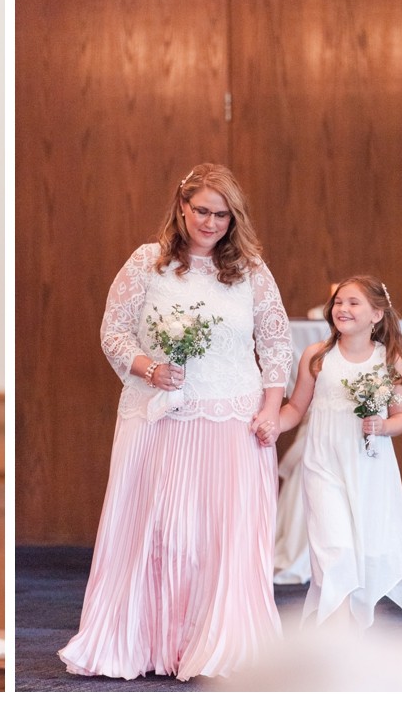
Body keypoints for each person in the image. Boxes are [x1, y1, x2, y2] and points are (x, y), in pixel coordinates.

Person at [58, 163, 292, 682]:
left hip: (234, 417)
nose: (210, 223)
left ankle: (222, 645)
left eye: (222, 215)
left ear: (234, 219)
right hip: (160, 417)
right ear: (181, 207)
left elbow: (276, 343)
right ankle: (149, 641)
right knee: (162, 531)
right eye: (201, 210)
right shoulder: (147, 263)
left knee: (222, 535)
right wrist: (151, 368)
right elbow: (113, 331)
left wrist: (272, 408)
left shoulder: (251, 269)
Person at [276, 276, 402, 631]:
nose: (342, 309)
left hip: (368, 467)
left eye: (353, 303)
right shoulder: (317, 356)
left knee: (365, 551)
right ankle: (340, 634)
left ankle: (352, 631)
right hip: (323, 463)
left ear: (377, 314)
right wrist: (267, 424)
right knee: (335, 549)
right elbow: (295, 408)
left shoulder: (388, 360)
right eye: (339, 303)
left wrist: (382, 426)